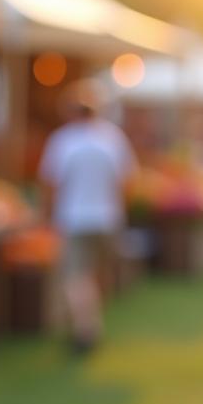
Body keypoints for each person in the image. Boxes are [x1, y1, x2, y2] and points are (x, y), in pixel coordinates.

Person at [39, 84, 136, 353]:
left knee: (75, 276)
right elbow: (126, 181)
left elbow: (50, 182)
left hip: (74, 218)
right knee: (95, 273)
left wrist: (46, 214)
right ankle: (91, 322)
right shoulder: (113, 139)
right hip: (108, 217)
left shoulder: (63, 140)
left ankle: (85, 329)